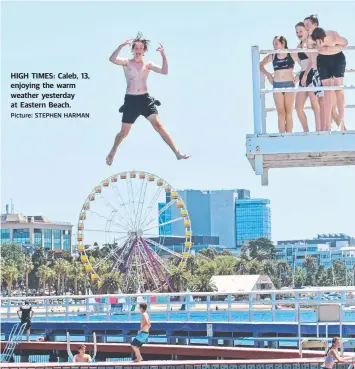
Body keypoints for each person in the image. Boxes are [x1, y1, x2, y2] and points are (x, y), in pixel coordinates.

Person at [106, 33, 190, 166]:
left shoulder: (148, 64)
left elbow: (164, 71)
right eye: (136, 48)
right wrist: (120, 46)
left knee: (159, 125)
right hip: (131, 101)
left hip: (145, 100)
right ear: (133, 50)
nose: (138, 51)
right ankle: (113, 151)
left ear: (144, 51)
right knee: (124, 132)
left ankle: (177, 152)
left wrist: (163, 55)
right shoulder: (127, 63)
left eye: (141, 49)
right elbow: (112, 59)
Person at [311, 27, 348, 131]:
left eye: (320, 41)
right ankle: (327, 124)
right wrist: (317, 47)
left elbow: (345, 43)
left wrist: (331, 49)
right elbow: (308, 45)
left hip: (337, 58)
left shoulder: (332, 36)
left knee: (338, 89)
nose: (319, 43)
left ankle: (341, 122)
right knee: (327, 91)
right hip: (323, 60)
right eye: (316, 41)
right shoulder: (312, 39)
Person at [260, 36, 299, 133]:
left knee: (289, 112)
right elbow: (260, 65)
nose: (274, 46)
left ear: (283, 44)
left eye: (276, 44)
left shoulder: (291, 54)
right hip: (277, 85)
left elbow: (304, 66)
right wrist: (268, 75)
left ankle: (289, 135)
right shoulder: (273, 56)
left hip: (289, 85)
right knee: (281, 113)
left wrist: (298, 75)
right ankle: (282, 135)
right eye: (273, 44)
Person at [294, 22, 321, 132]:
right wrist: (299, 74)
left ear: (306, 30)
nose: (299, 33)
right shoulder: (298, 46)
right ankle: (306, 131)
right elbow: (302, 64)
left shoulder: (310, 42)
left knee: (315, 105)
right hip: (303, 75)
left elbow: (312, 60)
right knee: (298, 107)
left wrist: (305, 75)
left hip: (311, 74)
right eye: (296, 32)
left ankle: (319, 131)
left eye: (301, 31)